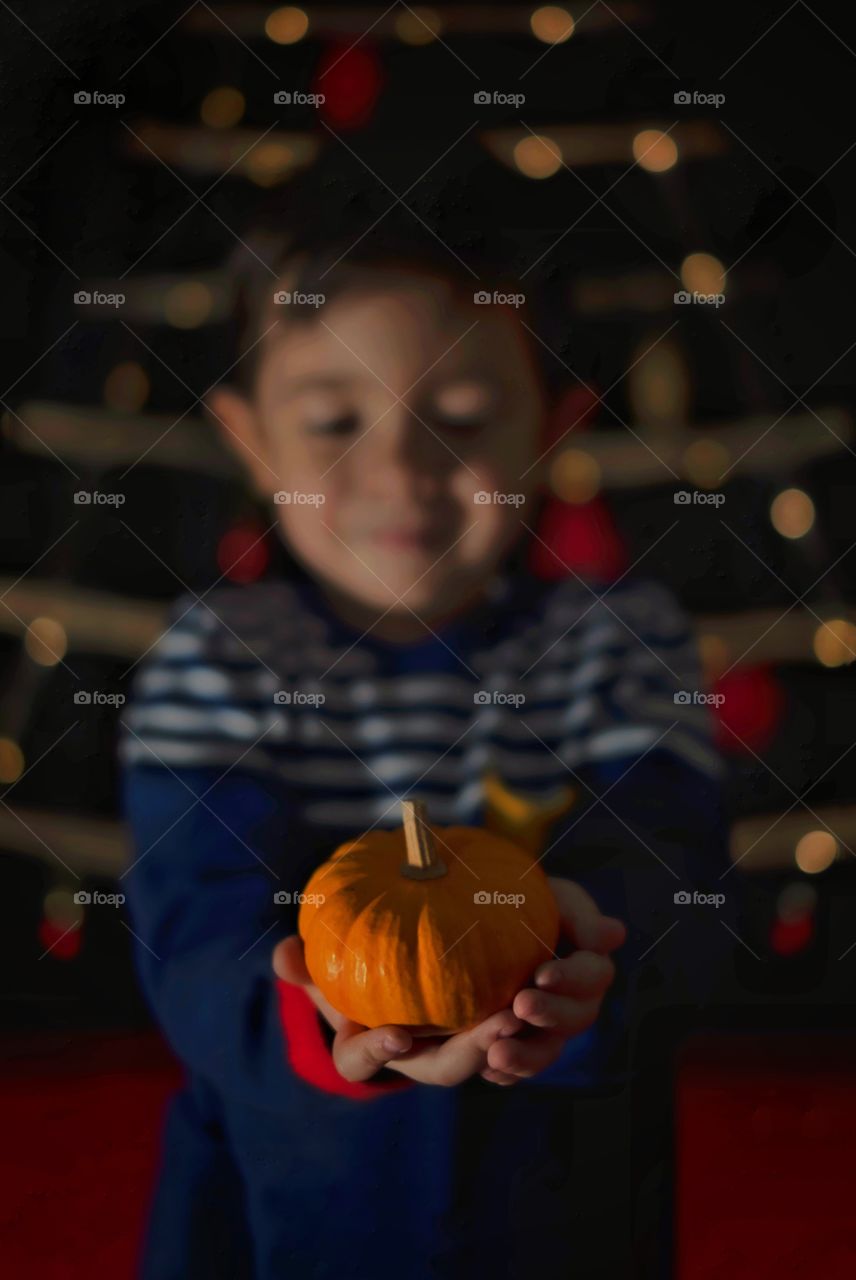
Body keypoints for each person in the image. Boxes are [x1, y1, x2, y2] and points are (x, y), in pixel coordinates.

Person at [118, 140, 730, 1279]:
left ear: (550, 429)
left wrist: (588, 946)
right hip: (280, 1200)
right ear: (251, 438)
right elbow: (192, 937)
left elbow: (677, 877)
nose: (399, 471)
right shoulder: (221, 656)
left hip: (559, 1203)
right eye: (336, 421)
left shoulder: (617, 641)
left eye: (458, 414)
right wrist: (341, 1032)